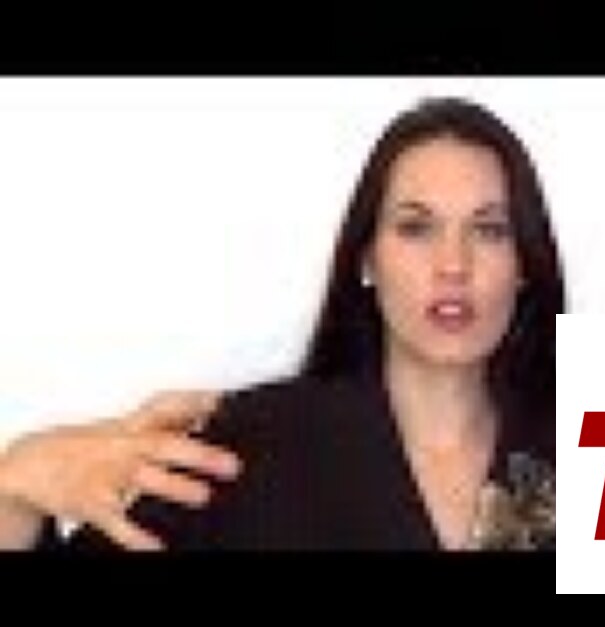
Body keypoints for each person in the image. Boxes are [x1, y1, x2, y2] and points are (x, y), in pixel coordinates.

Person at [0, 96, 562, 551]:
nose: (453, 264)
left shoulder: (598, 445)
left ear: (525, 263)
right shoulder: (242, 451)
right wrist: (14, 487)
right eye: (416, 228)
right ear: (367, 257)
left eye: (490, 230)